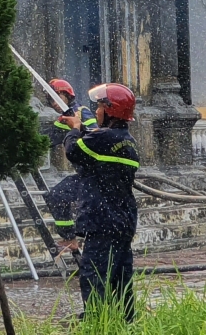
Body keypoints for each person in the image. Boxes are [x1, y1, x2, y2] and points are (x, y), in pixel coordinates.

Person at [65, 83, 140, 322]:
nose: (96, 111)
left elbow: (73, 151)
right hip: (122, 220)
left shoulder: (103, 138)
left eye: (99, 106)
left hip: (102, 221)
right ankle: (125, 322)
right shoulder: (127, 141)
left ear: (111, 110)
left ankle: (96, 321)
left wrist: (75, 128)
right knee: (120, 277)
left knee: (94, 275)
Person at [42, 77, 90, 251]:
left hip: (95, 175)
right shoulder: (64, 118)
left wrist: (78, 126)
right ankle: (70, 239)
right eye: (50, 99)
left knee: (59, 196)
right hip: (85, 175)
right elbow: (48, 138)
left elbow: (94, 134)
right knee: (56, 196)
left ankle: (76, 240)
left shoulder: (82, 112)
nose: (53, 103)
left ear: (66, 94)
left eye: (56, 97)